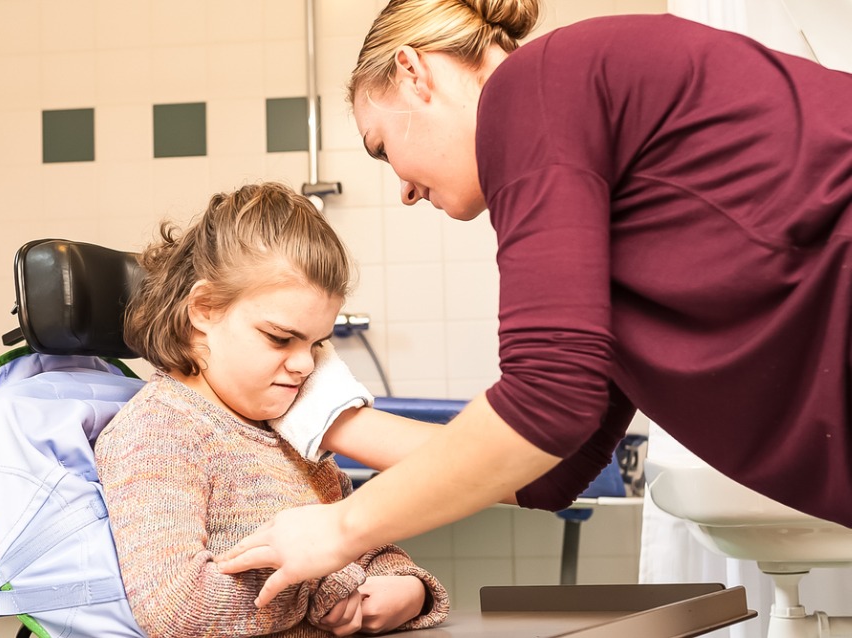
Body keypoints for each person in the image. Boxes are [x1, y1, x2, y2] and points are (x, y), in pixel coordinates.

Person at [215, 0, 852, 608]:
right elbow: (550, 469)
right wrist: (329, 417)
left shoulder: (533, 87)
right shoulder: (572, 137)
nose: (403, 188)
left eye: (382, 147)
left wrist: (340, 527)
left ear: (413, 72)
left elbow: (547, 402)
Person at [93, 181, 449, 637]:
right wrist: (326, 585)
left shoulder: (285, 424)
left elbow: (362, 547)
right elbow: (177, 609)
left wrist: (406, 588)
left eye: (317, 343)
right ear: (203, 309)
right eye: (280, 338)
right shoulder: (159, 431)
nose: (304, 364)